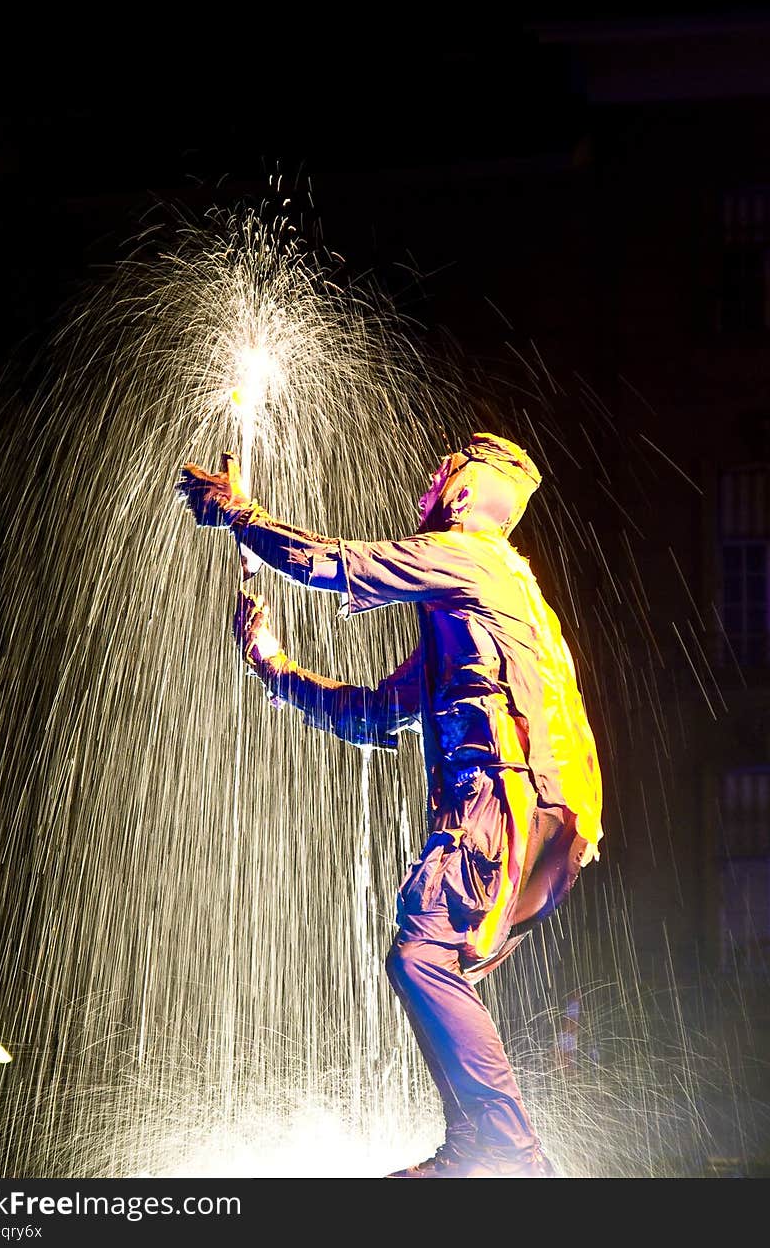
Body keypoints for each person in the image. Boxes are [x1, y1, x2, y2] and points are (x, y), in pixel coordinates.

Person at [176, 432, 603, 1177]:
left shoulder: (468, 556)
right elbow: (373, 714)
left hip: (500, 797)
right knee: (433, 965)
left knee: (420, 952)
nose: (425, 488)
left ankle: (503, 1151)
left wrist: (242, 517)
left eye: (441, 475)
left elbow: (334, 561)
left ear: (467, 493)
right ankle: (482, 1148)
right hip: (548, 822)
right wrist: (273, 663)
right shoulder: (489, 604)